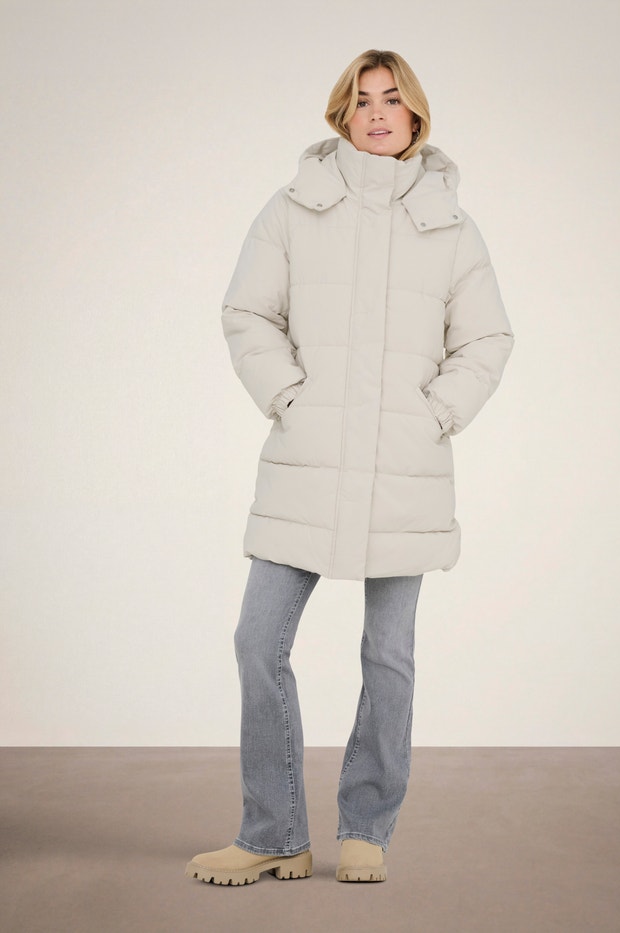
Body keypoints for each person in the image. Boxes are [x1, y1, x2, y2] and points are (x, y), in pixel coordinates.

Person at [185, 49, 514, 887]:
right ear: (342, 113)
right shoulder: (295, 207)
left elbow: (486, 337)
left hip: (404, 470)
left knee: (388, 655)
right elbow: (247, 310)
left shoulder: (450, 224)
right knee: (258, 641)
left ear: (414, 114)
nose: (376, 113)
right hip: (307, 460)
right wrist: (289, 396)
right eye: (361, 100)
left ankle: (367, 827)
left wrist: (435, 414)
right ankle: (275, 832)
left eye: (391, 99)